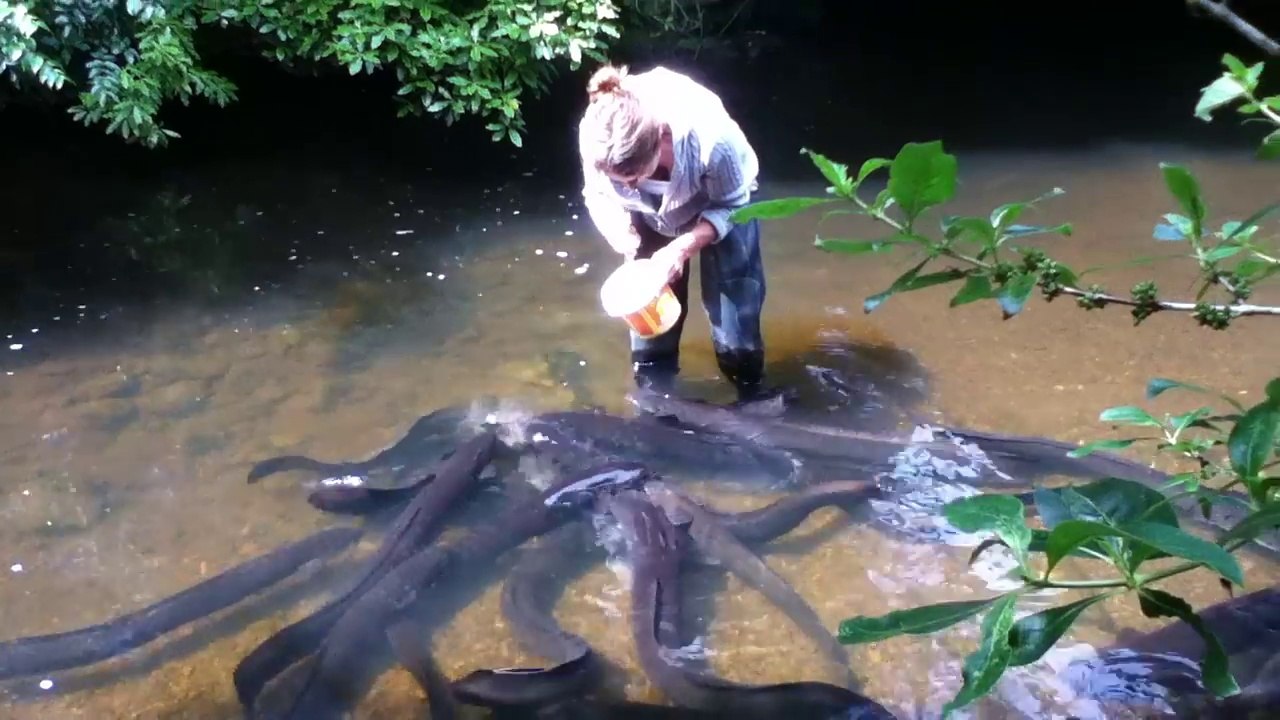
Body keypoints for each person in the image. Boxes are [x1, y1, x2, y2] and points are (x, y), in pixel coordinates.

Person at [577, 63, 769, 402]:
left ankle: (750, 393)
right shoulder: (597, 134)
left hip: (723, 200)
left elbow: (733, 206)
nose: (629, 187)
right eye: (620, 181)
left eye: (634, 178)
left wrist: (679, 250)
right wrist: (617, 232)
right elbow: (596, 194)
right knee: (646, 316)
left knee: (735, 312)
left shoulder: (713, 140)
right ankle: (656, 397)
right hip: (648, 212)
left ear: (660, 140)